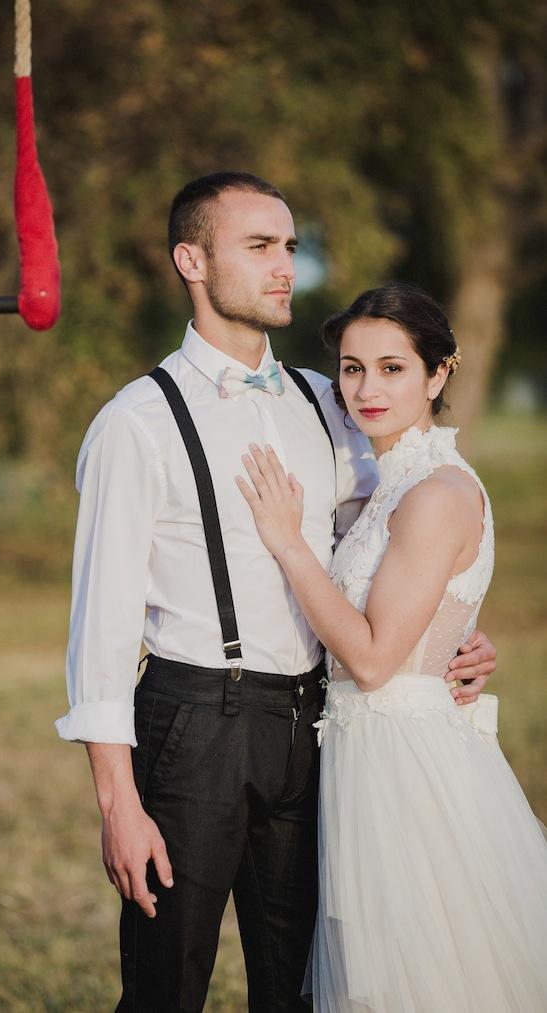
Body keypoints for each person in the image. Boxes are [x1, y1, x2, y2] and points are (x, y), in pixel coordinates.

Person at [55, 174, 497, 1013]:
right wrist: (118, 802)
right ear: (192, 259)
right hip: (194, 725)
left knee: (302, 984)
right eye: (258, 246)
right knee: (165, 983)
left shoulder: (324, 400)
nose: (284, 266)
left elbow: (408, 523)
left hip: (314, 727)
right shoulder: (136, 422)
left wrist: (450, 634)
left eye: (289, 246)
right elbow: (100, 631)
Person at [238, 281, 547, 1012]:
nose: (366, 388)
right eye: (351, 368)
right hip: (364, 754)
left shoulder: (435, 492)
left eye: (392, 367)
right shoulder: (388, 480)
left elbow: (374, 661)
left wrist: (289, 544)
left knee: (430, 978)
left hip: (407, 768)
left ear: (438, 373)